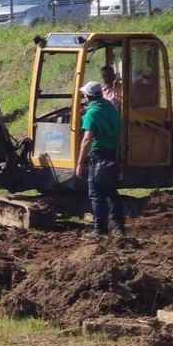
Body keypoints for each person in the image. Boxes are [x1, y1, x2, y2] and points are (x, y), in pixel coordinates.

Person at [76, 81, 125, 237]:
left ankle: (99, 230)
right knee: (111, 192)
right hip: (112, 154)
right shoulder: (110, 108)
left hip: (98, 156)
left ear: (88, 96)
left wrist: (79, 163)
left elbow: (87, 139)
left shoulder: (92, 113)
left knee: (96, 193)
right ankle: (118, 228)